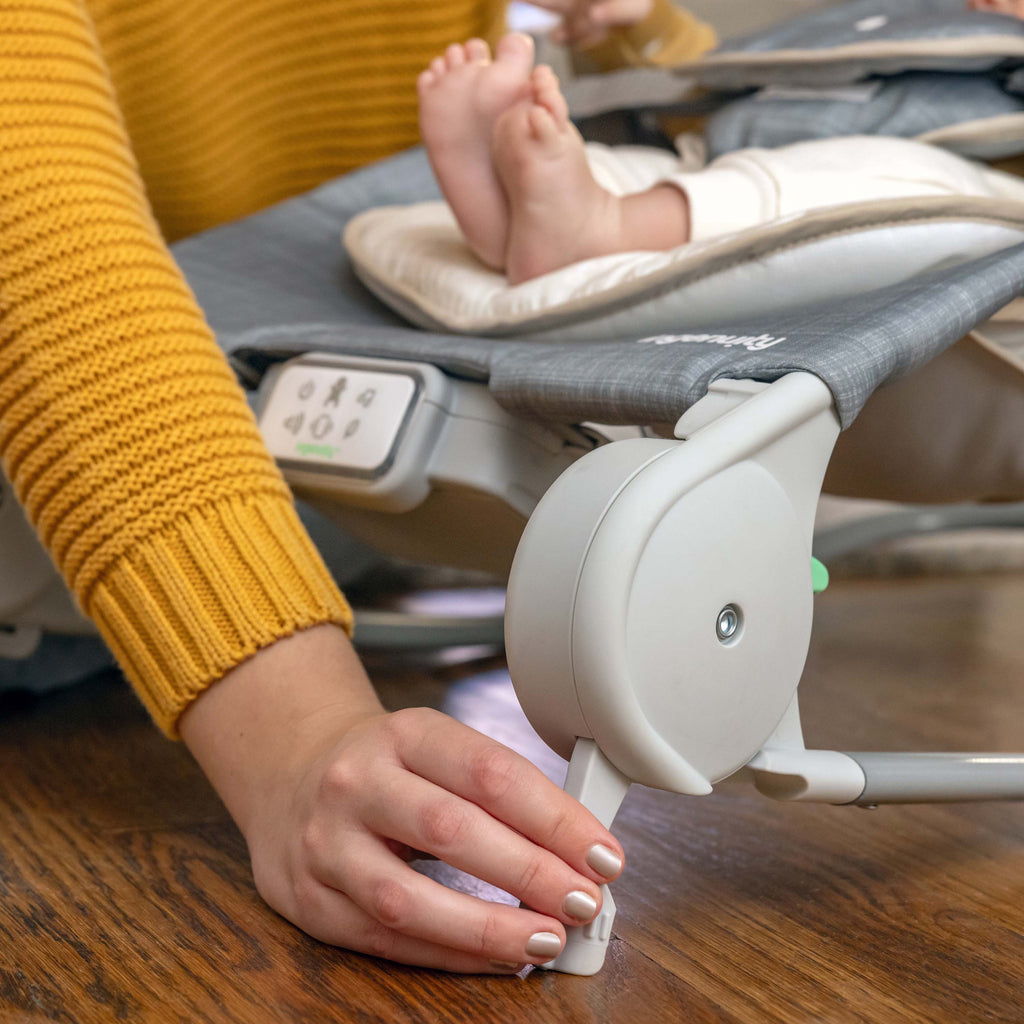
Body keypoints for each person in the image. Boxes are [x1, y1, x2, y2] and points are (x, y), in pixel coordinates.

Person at [0, 0, 718, 973]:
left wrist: (627, 42)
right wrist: (296, 734)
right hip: (102, 440)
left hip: (283, 430)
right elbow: (35, 222)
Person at [418, 34, 1024, 285]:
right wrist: (639, 24)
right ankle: (512, 217)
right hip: (706, 157)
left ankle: (597, 230)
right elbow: (714, 81)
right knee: (630, 164)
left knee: (891, 179)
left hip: (988, 201)